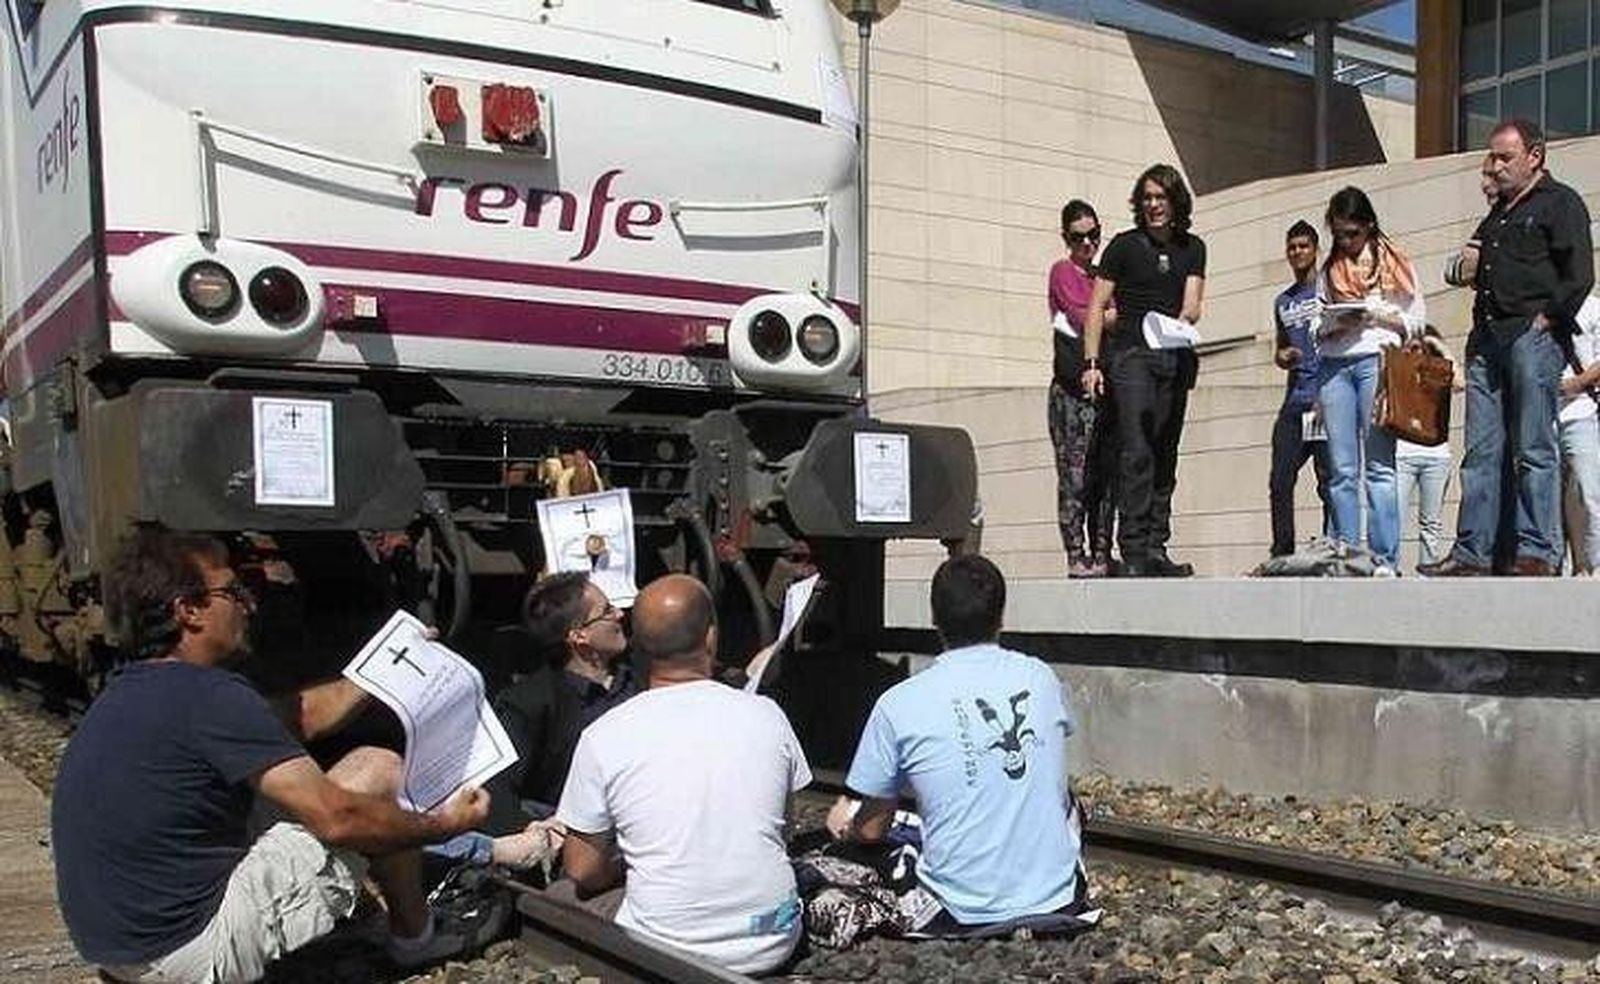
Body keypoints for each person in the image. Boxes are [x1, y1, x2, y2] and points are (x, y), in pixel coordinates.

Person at [52, 527, 489, 984]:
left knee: (299, 787)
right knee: (377, 775)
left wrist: (387, 667)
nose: (248, 604)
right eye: (231, 592)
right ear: (188, 611)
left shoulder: (135, 691)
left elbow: (297, 717)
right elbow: (338, 818)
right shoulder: (212, 694)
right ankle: (416, 939)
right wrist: (444, 824)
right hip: (184, 956)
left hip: (119, 951)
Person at [555, 574, 811, 975]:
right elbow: (785, 827)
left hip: (665, 950)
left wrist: (626, 866)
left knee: (559, 895)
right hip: (773, 939)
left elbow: (583, 870)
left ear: (638, 646)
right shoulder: (767, 714)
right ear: (710, 638)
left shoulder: (603, 735)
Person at [828, 554, 1086, 935]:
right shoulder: (1041, 677)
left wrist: (846, 824)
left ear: (934, 617)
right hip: (1060, 900)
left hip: (958, 910)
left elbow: (871, 830)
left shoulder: (898, 703)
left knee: (872, 839)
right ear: (1001, 615)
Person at [1422, 120, 1595, 577]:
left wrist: (1547, 320)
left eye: (1505, 158)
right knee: (1481, 451)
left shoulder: (1560, 203)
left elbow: (1579, 274)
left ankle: (1538, 550)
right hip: (1488, 338)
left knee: (1534, 446)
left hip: (1530, 336)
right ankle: (1473, 552)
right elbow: (1462, 266)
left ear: (1534, 156)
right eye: (1493, 157)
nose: (1496, 166)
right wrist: (1466, 263)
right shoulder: (1498, 212)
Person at [1082, 164, 1207, 577]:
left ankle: (1156, 547)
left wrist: (1181, 321)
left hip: (1173, 355)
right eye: (1147, 197)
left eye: (1161, 197)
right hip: (1131, 355)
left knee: (1164, 452)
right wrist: (1092, 363)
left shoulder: (1193, 248)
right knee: (1136, 449)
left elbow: (1192, 304)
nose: (1154, 205)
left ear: (1175, 202)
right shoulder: (1123, 246)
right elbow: (1096, 306)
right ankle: (1133, 548)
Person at [1314, 186, 1423, 571]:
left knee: (1379, 466)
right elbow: (1315, 325)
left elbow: (1417, 321)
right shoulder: (1329, 270)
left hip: (1376, 362)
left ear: (1369, 226)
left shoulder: (1396, 263)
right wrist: (1334, 323)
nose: (1346, 242)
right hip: (1335, 365)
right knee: (1342, 470)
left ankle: (1384, 558)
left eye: (1352, 234)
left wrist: (1377, 316)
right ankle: (1348, 553)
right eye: (1339, 234)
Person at [482, 572, 635, 835]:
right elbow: (495, 789)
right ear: (579, 637)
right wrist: (536, 830)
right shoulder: (530, 703)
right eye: (607, 611)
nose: (620, 614)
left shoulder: (642, 679)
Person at [1047, 199, 1117, 577]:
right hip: (1071, 391)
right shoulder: (1062, 271)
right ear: (1066, 238)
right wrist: (1111, 313)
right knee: (1074, 476)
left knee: (1105, 478)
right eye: (1079, 237)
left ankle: (1102, 551)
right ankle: (1076, 555)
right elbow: (1081, 317)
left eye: (1094, 235)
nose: (1088, 243)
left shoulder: (1103, 276)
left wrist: (1108, 313)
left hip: (1105, 390)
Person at [1268, 220, 1331, 557]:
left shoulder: (1329, 289)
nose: (1297, 252)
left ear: (1315, 249)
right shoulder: (1283, 301)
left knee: (1328, 479)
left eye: (1303, 246)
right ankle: (1282, 551)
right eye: (1292, 247)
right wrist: (1282, 356)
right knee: (1280, 480)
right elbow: (1281, 349)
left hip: (1323, 401)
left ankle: (1332, 545)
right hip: (1294, 403)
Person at [1395, 327, 1459, 570]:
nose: (1418, 350)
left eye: (1423, 346)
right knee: (1395, 516)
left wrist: (1440, 348)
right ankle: (1390, 567)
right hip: (1403, 455)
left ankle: (1427, 569)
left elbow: (1460, 382)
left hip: (1436, 456)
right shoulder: (1401, 374)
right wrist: (1404, 354)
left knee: (1431, 522)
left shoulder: (1440, 376)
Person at [1559, 296, 1600, 574]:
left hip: (1581, 411)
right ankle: (1556, 568)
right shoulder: (1533, 301)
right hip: (1539, 416)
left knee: (1588, 491)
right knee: (1545, 498)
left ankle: (1593, 565)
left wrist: (1576, 383)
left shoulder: (1593, 307)